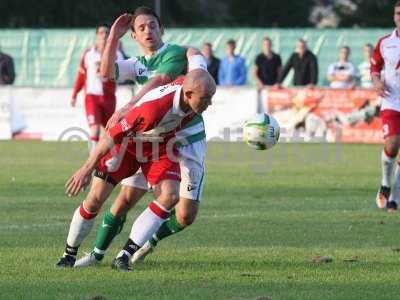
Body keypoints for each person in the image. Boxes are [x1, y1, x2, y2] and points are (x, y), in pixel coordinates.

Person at [56, 7, 210, 268]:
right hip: (143, 134)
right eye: (141, 28)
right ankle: (93, 254)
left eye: (153, 25)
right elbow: (107, 74)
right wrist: (114, 38)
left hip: (179, 137)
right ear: (134, 36)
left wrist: (130, 105)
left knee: (184, 212)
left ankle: (140, 245)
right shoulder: (139, 66)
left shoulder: (172, 53)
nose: (148, 30)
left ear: (162, 29)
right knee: (119, 198)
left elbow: (161, 80)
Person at [71, 23, 124, 151]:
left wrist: (107, 68)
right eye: (101, 33)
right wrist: (74, 94)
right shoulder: (89, 54)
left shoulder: (116, 54)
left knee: (108, 132)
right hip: (92, 97)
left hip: (109, 98)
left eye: (107, 32)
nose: (104, 35)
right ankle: (92, 161)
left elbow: (121, 76)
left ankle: (104, 161)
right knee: (94, 130)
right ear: (96, 36)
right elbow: (81, 75)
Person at [372, 1, 400, 212]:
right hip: (392, 100)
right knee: (392, 145)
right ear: (394, 16)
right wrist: (376, 81)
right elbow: (375, 66)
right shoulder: (384, 43)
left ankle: (394, 199)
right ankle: (385, 183)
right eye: (398, 13)